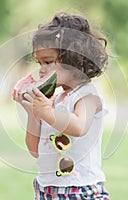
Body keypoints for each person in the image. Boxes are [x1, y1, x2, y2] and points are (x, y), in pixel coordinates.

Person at [13, 12, 110, 200]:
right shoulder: (54, 100)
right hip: (47, 190)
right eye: (39, 63)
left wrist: (46, 112)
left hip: (80, 189)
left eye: (48, 62)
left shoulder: (88, 96)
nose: (41, 69)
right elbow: (35, 150)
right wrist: (33, 114)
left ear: (73, 59)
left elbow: (79, 126)